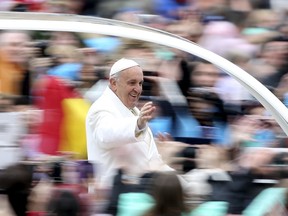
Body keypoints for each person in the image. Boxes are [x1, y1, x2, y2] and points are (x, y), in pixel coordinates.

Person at [86, 58, 173, 188]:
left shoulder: (135, 112)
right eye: (132, 83)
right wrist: (137, 124)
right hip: (111, 195)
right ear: (114, 83)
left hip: (140, 192)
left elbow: (152, 161)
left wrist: (182, 183)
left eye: (140, 83)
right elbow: (106, 134)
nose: (138, 89)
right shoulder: (101, 108)